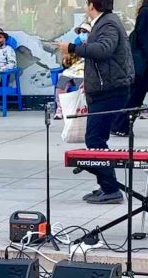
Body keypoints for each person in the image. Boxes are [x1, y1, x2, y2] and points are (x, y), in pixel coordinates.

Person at [59, 0, 134, 204]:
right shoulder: (105, 22)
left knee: (95, 141)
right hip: (103, 88)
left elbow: (103, 50)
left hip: (110, 91)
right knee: (95, 140)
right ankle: (106, 186)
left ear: (91, 5)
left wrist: (73, 47)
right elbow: (99, 59)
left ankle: (111, 190)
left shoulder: (108, 23)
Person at [111, 0, 148, 136]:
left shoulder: (144, 11)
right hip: (142, 63)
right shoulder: (146, 12)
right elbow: (144, 39)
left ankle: (120, 125)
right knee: (135, 95)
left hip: (142, 62)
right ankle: (119, 125)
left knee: (136, 95)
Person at [54, 23, 90, 120]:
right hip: (72, 71)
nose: (82, 34)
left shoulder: (94, 46)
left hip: (85, 72)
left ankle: (80, 109)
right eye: (81, 32)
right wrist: (66, 55)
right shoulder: (76, 47)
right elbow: (67, 63)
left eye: (85, 32)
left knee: (81, 85)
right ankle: (60, 109)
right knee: (62, 82)